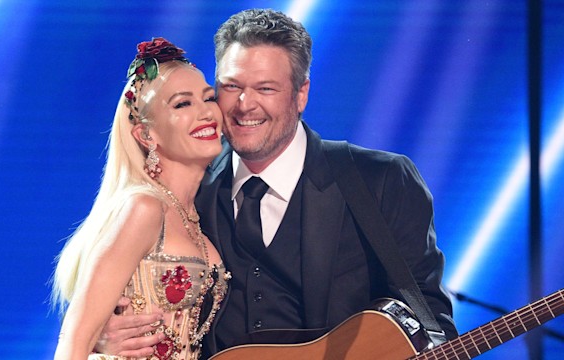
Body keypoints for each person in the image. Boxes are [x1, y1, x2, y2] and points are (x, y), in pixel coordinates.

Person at [97, 8, 458, 358]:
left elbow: (429, 318)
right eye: (231, 86)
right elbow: (113, 294)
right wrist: (105, 336)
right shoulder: (186, 188)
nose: (244, 105)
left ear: (301, 94)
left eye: (265, 88)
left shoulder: (379, 180)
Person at [50, 37, 230, 360]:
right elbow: (74, 338)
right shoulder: (144, 208)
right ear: (146, 134)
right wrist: (97, 339)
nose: (206, 113)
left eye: (209, 98)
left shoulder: (197, 216)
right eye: (182, 104)